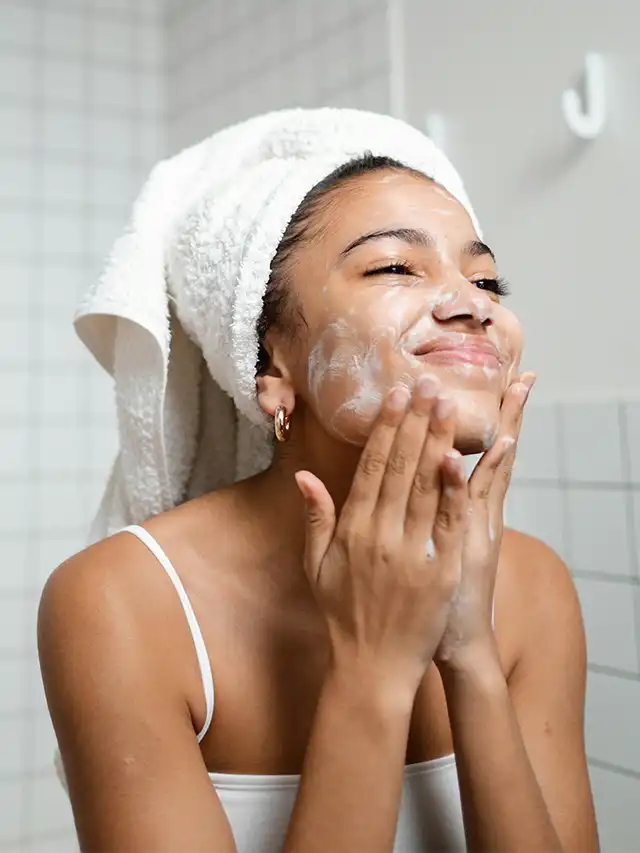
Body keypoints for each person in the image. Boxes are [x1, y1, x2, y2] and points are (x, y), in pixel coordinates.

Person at [37, 109, 599, 853]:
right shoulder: (121, 602)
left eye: (488, 276)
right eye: (396, 266)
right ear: (271, 363)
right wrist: (372, 668)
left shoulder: (532, 587)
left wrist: (469, 655)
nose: (474, 302)